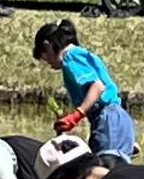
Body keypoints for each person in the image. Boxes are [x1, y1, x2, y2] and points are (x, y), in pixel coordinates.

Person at [32, 18, 136, 161]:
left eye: (45, 57)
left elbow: (98, 86)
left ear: (48, 46)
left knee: (103, 172)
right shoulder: (81, 54)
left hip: (108, 120)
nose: (48, 63)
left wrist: (77, 115)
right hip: (119, 118)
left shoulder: (70, 58)